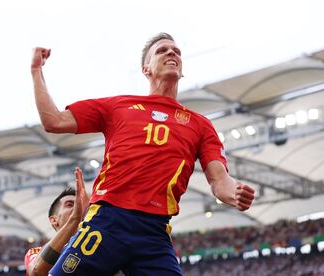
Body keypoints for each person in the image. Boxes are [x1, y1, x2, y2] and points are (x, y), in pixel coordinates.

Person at [31, 32, 255, 275]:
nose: (171, 53)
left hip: (154, 232)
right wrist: (36, 72)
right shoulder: (118, 107)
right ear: (146, 69)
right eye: (162, 50)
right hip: (108, 221)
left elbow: (219, 180)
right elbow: (53, 121)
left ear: (182, 70)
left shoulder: (200, 125)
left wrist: (234, 193)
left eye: (176, 51)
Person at [25, 167, 89, 276]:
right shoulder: (36, 252)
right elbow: (36, 271)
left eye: (81, 205)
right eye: (70, 204)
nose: (79, 208)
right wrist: (75, 218)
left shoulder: (95, 248)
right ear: (54, 220)